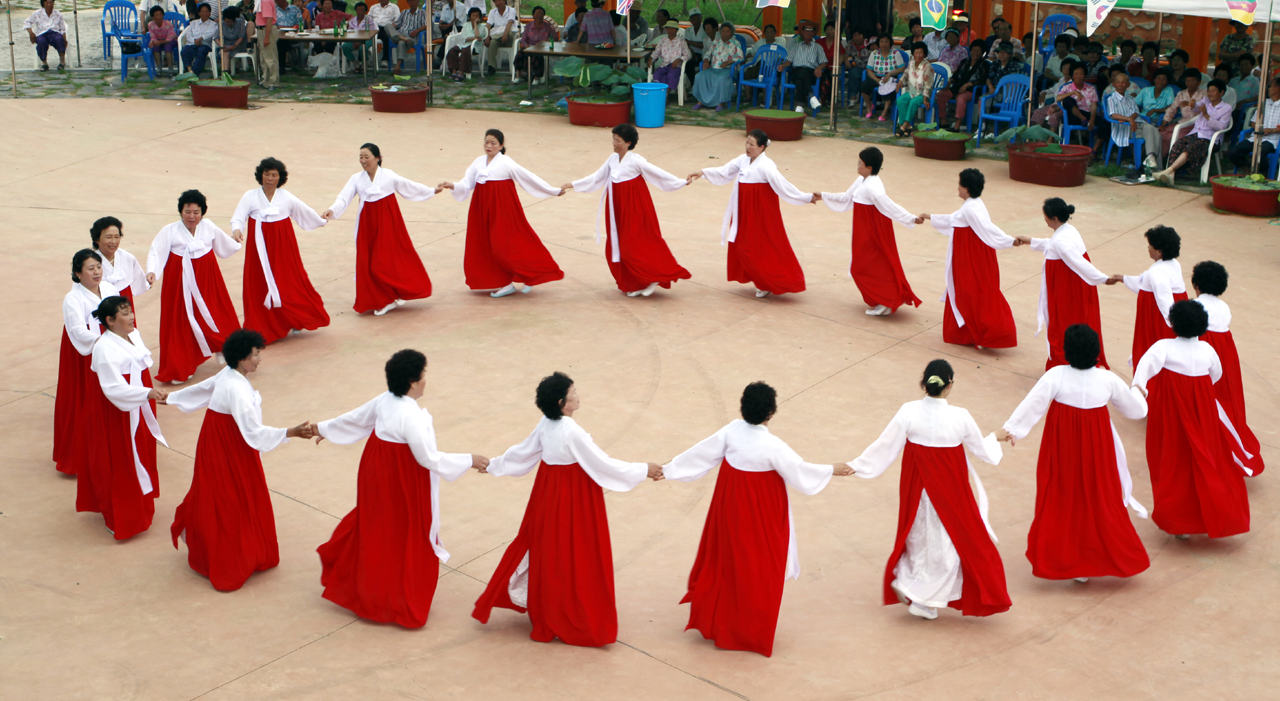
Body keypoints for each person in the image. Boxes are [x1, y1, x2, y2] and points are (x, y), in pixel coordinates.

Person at [472, 372, 663, 647]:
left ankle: (549, 608)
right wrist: (644, 469)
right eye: (573, 392)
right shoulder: (572, 431)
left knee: (550, 550)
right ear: (562, 403)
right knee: (576, 552)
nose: (577, 395)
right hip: (574, 496)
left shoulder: (546, 423)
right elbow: (602, 464)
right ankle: (571, 613)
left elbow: (523, 452)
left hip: (548, 492)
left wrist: (494, 465)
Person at [664, 382, 850, 656]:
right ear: (770, 412)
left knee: (727, 559)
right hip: (761, 513)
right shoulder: (772, 445)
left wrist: (668, 470)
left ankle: (719, 620)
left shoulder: (732, 431)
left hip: (730, 506)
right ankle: (746, 630)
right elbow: (799, 470)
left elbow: (701, 453)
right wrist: (831, 469)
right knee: (758, 566)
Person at [314, 349, 489, 627]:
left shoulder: (385, 399)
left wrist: (323, 429)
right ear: (412, 382)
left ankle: (367, 588)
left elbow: (356, 418)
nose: (425, 380)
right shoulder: (412, 416)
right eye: (423, 375)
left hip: (376, 469)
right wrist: (470, 460)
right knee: (404, 531)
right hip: (401, 477)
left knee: (377, 525)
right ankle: (394, 598)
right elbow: (428, 458)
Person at [844, 359, 1010, 620]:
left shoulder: (908, 411)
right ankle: (921, 596)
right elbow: (982, 451)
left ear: (924, 382)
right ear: (949, 385)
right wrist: (996, 437)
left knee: (919, 538)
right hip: (951, 494)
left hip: (917, 490)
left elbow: (885, 445)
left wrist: (857, 466)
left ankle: (913, 588)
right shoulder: (960, 417)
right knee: (950, 545)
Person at [998, 324, 1150, 582]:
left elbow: (1033, 404)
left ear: (1067, 351)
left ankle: (1069, 558)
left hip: (1063, 445)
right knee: (1099, 492)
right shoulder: (1108, 379)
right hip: (1097, 447)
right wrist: (1139, 391)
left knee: (1063, 492)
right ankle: (1095, 556)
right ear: (1096, 352)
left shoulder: (1056, 375)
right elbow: (1136, 411)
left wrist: (1012, 430)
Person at [166, 329, 315, 591]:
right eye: (256, 355)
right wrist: (289, 432)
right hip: (230, 446)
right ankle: (231, 559)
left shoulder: (228, 374)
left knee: (220, 494)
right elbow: (253, 432)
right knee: (231, 499)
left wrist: (170, 397)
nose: (259, 359)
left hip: (219, 441)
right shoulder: (237, 389)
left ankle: (217, 549)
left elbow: (203, 388)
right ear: (242, 358)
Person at [1131, 301, 1250, 539]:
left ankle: (1180, 521)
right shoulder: (1208, 350)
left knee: (1173, 461)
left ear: (1173, 323)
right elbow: (1215, 376)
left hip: (1171, 414)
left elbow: (1140, 377)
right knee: (1203, 459)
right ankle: (1206, 515)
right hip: (1203, 413)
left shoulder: (1163, 347)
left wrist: (1136, 399)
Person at [77, 296, 168, 541]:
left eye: (130, 312)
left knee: (140, 449)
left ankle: (140, 503)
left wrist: (147, 393)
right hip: (115, 412)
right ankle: (119, 516)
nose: (131, 317)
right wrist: (146, 393)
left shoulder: (133, 334)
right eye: (125, 313)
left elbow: (142, 360)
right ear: (110, 320)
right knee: (120, 458)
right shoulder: (104, 348)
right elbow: (113, 389)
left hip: (137, 400)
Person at [564, 125, 690, 296]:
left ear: (628, 142)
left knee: (635, 244)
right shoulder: (612, 159)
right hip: (616, 207)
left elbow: (657, 173)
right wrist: (573, 184)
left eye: (618, 140)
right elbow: (597, 177)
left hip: (635, 206)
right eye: (613, 139)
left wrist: (680, 182)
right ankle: (636, 282)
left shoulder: (636, 161)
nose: (614, 143)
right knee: (619, 244)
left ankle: (652, 277)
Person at [439, 129, 566, 297]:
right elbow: (467, 182)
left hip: (502, 208)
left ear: (501, 145)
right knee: (485, 244)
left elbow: (528, 177)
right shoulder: (478, 162)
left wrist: (552, 190)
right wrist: (452, 185)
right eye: (486, 142)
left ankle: (531, 274)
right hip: (481, 208)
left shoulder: (506, 162)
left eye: (493, 143)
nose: (488, 146)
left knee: (504, 244)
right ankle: (504, 284)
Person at [687, 130, 814, 298]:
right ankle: (761, 280)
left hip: (760, 212)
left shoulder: (766, 166)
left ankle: (768, 282)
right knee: (741, 245)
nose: (747, 146)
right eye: (747, 142)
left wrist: (806, 197)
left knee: (760, 246)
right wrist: (703, 172)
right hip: (743, 210)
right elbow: (724, 171)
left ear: (761, 147)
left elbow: (783, 185)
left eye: (752, 144)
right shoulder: (743, 160)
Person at [322, 144, 437, 316]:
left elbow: (408, 186)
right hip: (367, 225)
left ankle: (395, 293)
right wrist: (332, 210)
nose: (363, 161)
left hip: (388, 223)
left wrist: (431, 190)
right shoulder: (356, 179)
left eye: (366, 157)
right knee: (369, 262)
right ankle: (384, 298)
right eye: (361, 157)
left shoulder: (388, 176)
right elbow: (343, 198)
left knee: (383, 262)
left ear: (378, 158)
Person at [145, 190, 243, 385]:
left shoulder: (209, 227)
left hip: (207, 280)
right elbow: (156, 252)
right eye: (187, 212)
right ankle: (181, 365)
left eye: (196, 212)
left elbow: (224, 245)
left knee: (216, 312)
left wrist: (235, 239)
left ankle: (223, 347)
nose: (191, 216)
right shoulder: (169, 231)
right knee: (180, 321)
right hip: (179, 284)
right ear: (180, 212)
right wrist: (152, 271)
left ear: (202, 213)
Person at [228, 157, 329, 343]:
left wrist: (321, 220)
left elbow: (304, 211)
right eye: (267, 174)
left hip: (283, 247)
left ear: (280, 178)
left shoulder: (286, 197)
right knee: (259, 284)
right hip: (259, 249)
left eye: (274, 175)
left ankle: (296, 318)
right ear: (261, 175)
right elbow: (238, 218)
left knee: (289, 281)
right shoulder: (250, 196)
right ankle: (263, 327)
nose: (270, 179)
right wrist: (236, 230)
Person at [917, 169, 1017, 349]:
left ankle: (987, 334)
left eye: (960, 184)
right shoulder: (972, 204)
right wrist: (930, 216)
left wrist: (1009, 241)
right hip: (969, 256)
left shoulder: (971, 208)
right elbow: (954, 219)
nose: (958, 188)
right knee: (967, 291)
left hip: (970, 258)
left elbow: (988, 228)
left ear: (967, 188)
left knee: (970, 292)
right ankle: (971, 333)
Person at [819, 147, 921, 316]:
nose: (857, 165)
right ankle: (884, 300)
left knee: (871, 265)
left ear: (869, 167)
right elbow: (845, 197)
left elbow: (889, 205)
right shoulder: (861, 180)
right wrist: (823, 195)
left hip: (873, 229)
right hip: (863, 229)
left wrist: (910, 218)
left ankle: (886, 300)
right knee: (864, 265)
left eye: (860, 162)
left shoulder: (873, 187)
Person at [1013, 199, 1111, 370]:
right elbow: (1052, 244)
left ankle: (1065, 363)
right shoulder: (1068, 230)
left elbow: (1079, 262)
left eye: (1046, 216)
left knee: (1063, 323)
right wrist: (1030, 240)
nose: (1044, 219)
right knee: (1075, 320)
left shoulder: (1061, 241)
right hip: (1073, 285)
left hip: (1067, 289)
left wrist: (1103, 278)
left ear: (1054, 218)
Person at [1192, 261, 1264, 475]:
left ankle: (1217, 446)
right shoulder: (1224, 307)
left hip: (1205, 351)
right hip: (1226, 354)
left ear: (1196, 285)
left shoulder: (1195, 306)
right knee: (1227, 398)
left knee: (1208, 398)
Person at [55, 250, 120, 476]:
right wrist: (103, 341)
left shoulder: (110, 289)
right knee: (83, 400)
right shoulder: (73, 299)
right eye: (90, 269)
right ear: (78, 273)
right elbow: (77, 330)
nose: (96, 272)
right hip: (85, 355)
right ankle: (79, 458)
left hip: (111, 348)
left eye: (98, 267)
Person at [1107, 225, 1187, 367]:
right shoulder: (1174, 264)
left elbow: (1164, 299)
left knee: (1152, 354)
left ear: (1159, 251)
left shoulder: (1157, 273)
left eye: (1150, 245)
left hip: (1158, 319)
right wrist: (1124, 278)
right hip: (1170, 316)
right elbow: (1144, 283)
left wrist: (1175, 324)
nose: (1148, 248)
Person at [1153, 79, 1231, 184]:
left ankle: (1168, 171)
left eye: (1213, 91)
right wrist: (1192, 104)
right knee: (1178, 144)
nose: (1210, 93)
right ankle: (1171, 175)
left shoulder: (1226, 108)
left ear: (1221, 92)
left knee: (1189, 148)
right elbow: (1196, 107)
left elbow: (1221, 127)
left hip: (1211, 138)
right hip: (1196, 134)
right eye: (1209, 91)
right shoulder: (1205, 100)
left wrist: (1206, 115)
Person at [1107, 72, 1162, 169]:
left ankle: (1151, 158)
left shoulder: (1130, 98)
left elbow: (1136, 111)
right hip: (1124, 127)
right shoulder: (1111, 99)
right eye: (1118, 82)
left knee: (1155, 131)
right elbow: (1113, 115)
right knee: (1152, 131)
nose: (1120, 85)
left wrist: (1131, 118)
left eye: (1123, 82)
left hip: (1137, 124)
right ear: (1114, 84)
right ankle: (1154, 164)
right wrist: (1128, 119)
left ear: (1128, 85)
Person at [92, 217, 149, 307]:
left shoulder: (127, 257)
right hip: (101, 306)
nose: (113, 242)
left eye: (117, 237)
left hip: (125, 306)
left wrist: (148, 281)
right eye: (108, 237)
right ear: (97, 239)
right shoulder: (90, 262)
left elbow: (140, 281)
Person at [1229, 77, 1280, 172]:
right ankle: (1247, 170)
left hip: (1274, 141)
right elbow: (1253, 121)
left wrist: (1272, 130)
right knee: (1233, 152)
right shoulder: (1264, 103)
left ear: (1277, 88)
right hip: (1256, 137)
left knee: (1258, 154)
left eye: (1270, 86)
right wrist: (1258, 128)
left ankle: (1263, 174)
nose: (1268, 88)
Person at [690, 21, 742, 112]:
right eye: (723, 31)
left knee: (721, 78)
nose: (725, 33)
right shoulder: (716, 42)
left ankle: (720, 103)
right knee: (699, 76)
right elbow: (707, 54)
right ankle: (700, 102)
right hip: (714, 67)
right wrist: (706, 60)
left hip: (727, 68)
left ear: (731, 32)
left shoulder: (735, 43)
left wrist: (728, 62)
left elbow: (740, 57)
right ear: (720, 32)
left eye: (727, 31)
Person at [936, 42, 988, 131]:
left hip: (973, 90)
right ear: (970, 51)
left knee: (961, 97)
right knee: (940, 95)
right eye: (974, 50)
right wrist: (950, 81)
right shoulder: (964, 61)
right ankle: (943, 120)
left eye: (978, 51)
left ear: (982, 52)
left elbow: (983, 80)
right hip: (958, 88)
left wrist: (968, 84)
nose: (975, 53)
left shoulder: (984, 64)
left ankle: (957, 125)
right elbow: (956, 75)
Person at [777, 19, 826, 113]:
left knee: (801, 79)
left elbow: (824, 62)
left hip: (811, 73)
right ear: (802, 32)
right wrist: (783, 65)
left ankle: (800, 105)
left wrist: (819, 67)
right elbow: (789, 61)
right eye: (806, 29)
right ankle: (811, 96)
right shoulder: (797, 46)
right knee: (800, 73)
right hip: (797, 71)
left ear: (814, 33)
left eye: (811, 30)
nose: (809, 32)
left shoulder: (818, 47)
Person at [1158, 67, 1206, 154]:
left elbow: (1205, 108)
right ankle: (1161, 158)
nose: (1190, 83)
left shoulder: (1204, 93)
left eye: (1193, 81)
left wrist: (1190, 104)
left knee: (1178, 136)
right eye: (1188, 81)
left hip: (1196, 125)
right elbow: (1172, 109)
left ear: (1199, 82)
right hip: (1182, 123)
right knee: (1161, 133)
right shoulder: (1181, 94)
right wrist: (1164, 124)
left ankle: (1175, 158)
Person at [860, 33, 905, 121]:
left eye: (886, 41)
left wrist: (889, 74)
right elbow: (869, 70)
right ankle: (869, 106)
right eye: (882, 41)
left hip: (890, 78)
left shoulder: (895, 53)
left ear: (890, 43)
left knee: (889, 88)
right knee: (864, 86)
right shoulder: (874, 53)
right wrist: (876, 80)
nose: (884, 44)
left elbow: (902, 68)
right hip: (876, 77)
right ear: (878, 43)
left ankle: (885, 111)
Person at [894, 41, 931, 135]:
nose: (918, 55)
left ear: (924, 54)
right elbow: (905, 74)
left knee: (913, 102)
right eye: (916, 53)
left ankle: (903, 126)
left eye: (920, 53)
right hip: (911, 92)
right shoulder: (911, 63)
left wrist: (925, 98)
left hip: (923, 94)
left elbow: (928, 84)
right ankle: (909, 127)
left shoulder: (927, 66)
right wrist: (901, 81)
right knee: (900, 101)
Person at [1055, 62, 1097, 144]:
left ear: (1084, 75)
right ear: (1072, 76)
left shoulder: (1091, 88)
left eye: (1081, 74)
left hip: (1088, 115)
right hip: (1072, 116)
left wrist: (1092, 120)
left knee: (1104, 124)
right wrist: (1073, 92)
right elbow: (1058, 98)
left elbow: (1094, 105)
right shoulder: (1066, 87)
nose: (1078, 76)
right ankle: (1082, 118)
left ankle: (1094, 149)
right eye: (1076, 74)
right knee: (1067, 100)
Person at [648, 20, 690, 96]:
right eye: (668, 28)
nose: (670, 30)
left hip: (675, 66)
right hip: (664, 65)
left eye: (672, 28)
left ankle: (665, 95)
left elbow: (688, 55)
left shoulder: (681, 41)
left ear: (676, 30)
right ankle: (659, 94)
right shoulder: (662, 40)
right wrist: (651, 58)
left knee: (671, 75)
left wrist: (679, 60)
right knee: (657, 74)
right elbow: (656, 52)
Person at [23, 0, 68, 71]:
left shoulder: (58, 14)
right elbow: (27, 22)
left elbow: (62, 28)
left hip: (54, 32)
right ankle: (44, 63)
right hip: (42, 33)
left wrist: (64, 38)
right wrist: (31, 33)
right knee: (41, 41)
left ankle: (62, 62)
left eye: (51, 2)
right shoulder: (37, 13)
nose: (49, 5)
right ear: (43, 3)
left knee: (59, 39)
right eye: (47, 3)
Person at [515, 6, 555, 84]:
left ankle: (536, 78)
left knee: (537, 55)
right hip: (530, 47)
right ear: (533, 15)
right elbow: (523, 39)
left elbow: (555, 37)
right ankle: (517, 75)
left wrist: (547, 40)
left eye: (541, 13)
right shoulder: (528, 26)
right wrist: (527, 47)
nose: (539, 15)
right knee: (520, 53)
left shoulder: (547, 26)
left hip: (542, 48)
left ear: (544, 15)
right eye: (537, 13)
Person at [385, 0, 428, 73]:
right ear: (408, 2)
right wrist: (391, 29)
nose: (413, 2)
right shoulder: (404, 12)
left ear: (418, 2)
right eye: (411, 1)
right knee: (387, 26)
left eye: (414, 1)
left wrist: (416, 31)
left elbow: (425, 25)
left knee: (401, 43)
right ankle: (403, 38)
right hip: (400, 35)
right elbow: (397, 24)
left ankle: (398, 65)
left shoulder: (422, 13)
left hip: (411, 38)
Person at [447, 6, 486, 80]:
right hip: (463, 44)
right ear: (470, 17)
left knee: (465, 51)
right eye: (473, 16)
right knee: (452, 51)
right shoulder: (466, 25)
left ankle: (462, 72)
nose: (475, 17)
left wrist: (475, 24)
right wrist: (474, 38)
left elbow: (478, 35)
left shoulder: (482, 27)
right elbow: (464, 38)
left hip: (475, 46)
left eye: (477, 16)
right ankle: (454, 72)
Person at [180, 4, 219, 76]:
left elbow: (212, 34)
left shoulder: (213, 24)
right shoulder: (193, 23)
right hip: (193, 44)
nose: (204, 13)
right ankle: (189, 70)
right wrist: (195, 41)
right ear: (199, 13)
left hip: (205, 45)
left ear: (209, 13)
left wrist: (201, 39)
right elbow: (188, 36)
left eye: (206, 11)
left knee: (201, 51)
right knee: (185, 50)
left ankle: (194, 73)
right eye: (203, 11)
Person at [482, 0, 517, 75]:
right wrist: (487, 37)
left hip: (508, 35)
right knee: (492, 43)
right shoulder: (492, 12)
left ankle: (492, 37)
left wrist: (505, 35)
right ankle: (491, 67)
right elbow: (488, 25)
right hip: (497, 37)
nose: (498, 3)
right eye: (496, 1)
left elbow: (509, 23)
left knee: (495, 38)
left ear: (504, 0)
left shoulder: (511, 10)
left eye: (500, 0)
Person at [368, 0, 402, 71]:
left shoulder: (394, 7)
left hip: (385, 28)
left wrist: (391, 28)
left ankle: (385, 60)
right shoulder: (373, 7)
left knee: (386, 37)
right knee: (364, 37)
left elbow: (397, 21)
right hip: (374, 28)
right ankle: (363, 60)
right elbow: (368, 19)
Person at [217, 6, 252, 73]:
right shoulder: (221, 23)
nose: (228, 24)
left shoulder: (240, 21)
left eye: (230, 22)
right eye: (227, 22)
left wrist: (234, 46)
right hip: (227, 44)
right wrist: (222, 45)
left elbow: (242, 36)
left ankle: (235, 67)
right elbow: (216, 37)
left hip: (238, 44)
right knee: (225, 52)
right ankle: (225, 71)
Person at [145, 6, 179, 71]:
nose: (159, 17)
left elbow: (170, 37)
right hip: (159, 41)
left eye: (160, 14)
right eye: (157, 15)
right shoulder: (150, 25)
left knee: (168, 46)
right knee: (155, 47)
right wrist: (154, 41)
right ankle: (159, 67)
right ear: (153, 17)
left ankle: (170, 67)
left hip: (171, 41)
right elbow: (152, 36)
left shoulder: (168, 23)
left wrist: (161, 42)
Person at [255, 0, 279, 89]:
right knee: (263, 57)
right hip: (260, 29)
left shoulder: (265, 1)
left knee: (270, 57)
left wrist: (266, 37)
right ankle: (266, 80)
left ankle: (273, 81)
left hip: (266, 30)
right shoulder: (259, 2)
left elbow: (269, 19)